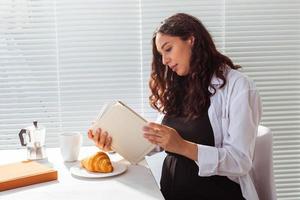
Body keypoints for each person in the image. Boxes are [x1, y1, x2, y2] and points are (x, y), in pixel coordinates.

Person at [88, 13, 262, 200]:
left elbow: (239, 161)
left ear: (191, 40)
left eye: (168, 49)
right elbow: (156, 142)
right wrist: (114, 142)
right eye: (161, 54)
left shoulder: (238, 86)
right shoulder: (177, 86)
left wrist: (182, 146)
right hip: (170, 191)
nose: (164, 61)